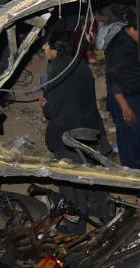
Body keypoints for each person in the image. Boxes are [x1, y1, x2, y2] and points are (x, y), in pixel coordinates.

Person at [41, 28, 111, 232]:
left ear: (55, 49)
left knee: (72, 185)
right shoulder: (80, 63)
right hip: (90, 131)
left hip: (69, 134)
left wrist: (45, 104)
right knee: (94, 177)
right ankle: (105, 217)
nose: (44, 47)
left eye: (47, 44)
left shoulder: (55, 69)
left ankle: (76, 229)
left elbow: (52, 110)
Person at [100, 11, 140, 169]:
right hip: (125, 98)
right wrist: (125, 108)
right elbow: (113, 82)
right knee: (130, 140)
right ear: (133, 29)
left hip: (139, 94)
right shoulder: (118, 49)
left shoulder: (133, 40)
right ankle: (133, 175)